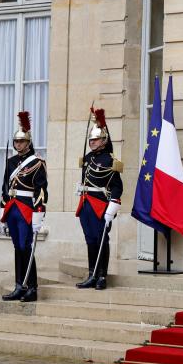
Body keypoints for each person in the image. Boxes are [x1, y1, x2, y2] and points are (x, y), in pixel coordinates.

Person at [0, 111, 47, 302]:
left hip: (27, 208)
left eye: (21, 141)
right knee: (17, 248)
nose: (18, 144)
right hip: (12, 209)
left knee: (26, 247)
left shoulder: (37, 163)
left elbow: (41, 190)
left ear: (28, 143)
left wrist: (38, 214)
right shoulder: (10, 162)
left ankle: (32, 287)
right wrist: (3, 213)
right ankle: (20, 285)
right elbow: (4, 187)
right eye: (16, 141)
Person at [75, 108, 123, 290]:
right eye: (91, 139)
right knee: (90, 240)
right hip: (86, 203)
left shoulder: (110, 160)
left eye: (95, 139)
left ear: (104, 141)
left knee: (101, 239)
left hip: (101, 205)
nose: (92, 142)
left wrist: (113, 206)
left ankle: (102, 275)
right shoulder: (87, 158)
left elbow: (117, 186)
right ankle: (91, 274)